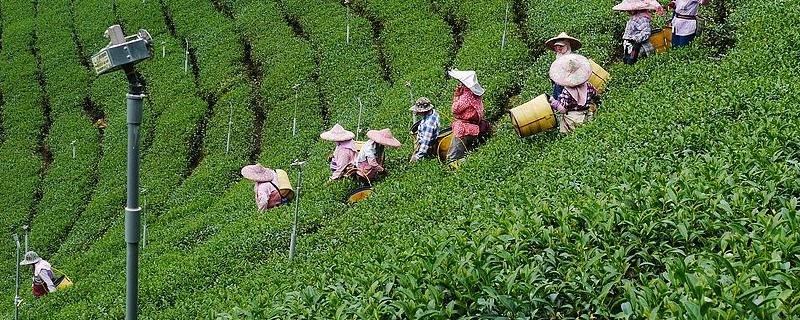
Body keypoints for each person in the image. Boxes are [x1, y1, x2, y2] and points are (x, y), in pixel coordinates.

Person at [549, 54, 599, 134]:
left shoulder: (567, 92)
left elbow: (563, 109)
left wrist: (554, 102)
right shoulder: (588, 86)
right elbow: (595, 95)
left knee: (571, 133)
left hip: (573, 120)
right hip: (587, 116)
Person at [446, 69, 486, 163]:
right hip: (474, 130)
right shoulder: (475, 94)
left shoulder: (465, 96)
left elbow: (454, 109)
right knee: (468, 154)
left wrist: (456, 96)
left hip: (463, 131)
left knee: (452, 158)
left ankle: (452, 173)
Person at [613, 0, 664, 65]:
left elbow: (646, 32)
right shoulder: (635, 17)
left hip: (638, 46)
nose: (627, 11)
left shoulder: (642, 18)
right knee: (628, 63)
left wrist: (634, 39)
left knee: (635, 63)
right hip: (630, 45)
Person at [545, 33, 582, 98]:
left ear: (567, 46)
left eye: (561, 46)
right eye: (556, 47)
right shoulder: (558, 56)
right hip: (559, 83)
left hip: (569, 84)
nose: (558, 48)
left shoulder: (572, 57)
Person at [409, 97, 440, 162]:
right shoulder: (434, 113)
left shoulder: (428, 124)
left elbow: (425, 143)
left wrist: (416, 157)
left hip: (429, 149)